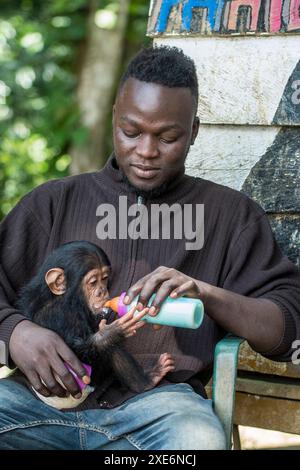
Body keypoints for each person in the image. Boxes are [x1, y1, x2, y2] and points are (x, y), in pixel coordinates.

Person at [0, 46, 299, 450]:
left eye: (168, 137)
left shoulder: (231, 217)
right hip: (35, 404)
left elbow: (286, 328)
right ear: (113, 120)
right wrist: (16, 332)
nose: (145, 151)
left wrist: (205, 293)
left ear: (193, 132)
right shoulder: (54, 203)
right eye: (131, 131)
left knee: (198, 442)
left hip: (159, 409)